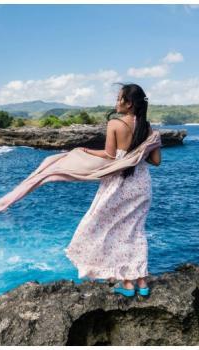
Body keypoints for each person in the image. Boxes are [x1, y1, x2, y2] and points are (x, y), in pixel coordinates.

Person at [64, 83, 161, 297]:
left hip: (119, 183)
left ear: (129, 103)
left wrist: (85, 150)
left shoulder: (115, 124)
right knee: (136, 231)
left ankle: (127, 283)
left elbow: (109, 156)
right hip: (141, 184)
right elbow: (156, 161)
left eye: (119, 99)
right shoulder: (148, 128)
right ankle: (141, 281)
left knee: (114, 230)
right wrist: (151, 144)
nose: (116, 103)